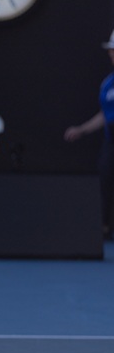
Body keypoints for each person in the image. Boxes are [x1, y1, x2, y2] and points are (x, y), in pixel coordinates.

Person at [64, 29, 114, 240]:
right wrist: (82, 129)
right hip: (111, 139)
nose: (112, 55)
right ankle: (104, 225)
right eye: (111, 51)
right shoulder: (108, 82)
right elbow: (105, 114)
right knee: (106, 177)